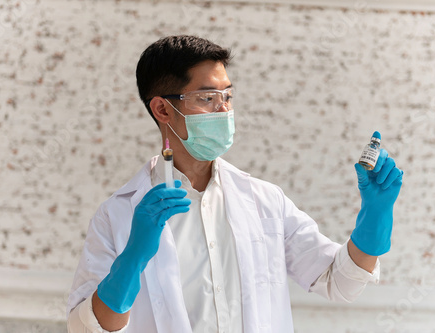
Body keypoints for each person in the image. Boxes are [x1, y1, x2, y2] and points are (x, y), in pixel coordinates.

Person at [66, 35, 403, 333]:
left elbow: (340, 282)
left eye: (227, 96)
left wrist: (376, 214)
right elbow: (86, 328)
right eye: (207, 98)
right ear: (162, 109)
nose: (224, 109)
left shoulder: (264, 201)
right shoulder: (119, 214)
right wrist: (133, 257)